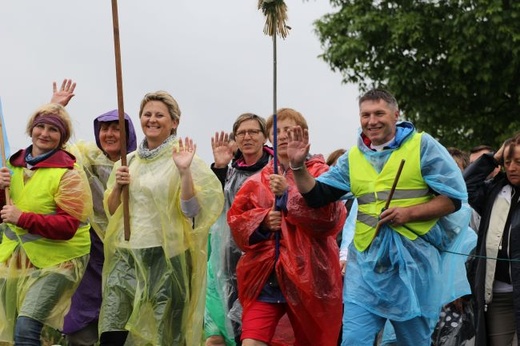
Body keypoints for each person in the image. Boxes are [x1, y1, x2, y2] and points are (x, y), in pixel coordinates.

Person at [286, 89, 475, 345]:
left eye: (379, 113)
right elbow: (318, 195)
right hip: (366, 267)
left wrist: (409, 213)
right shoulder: (353, 157)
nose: (371, 121)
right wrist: (297, 166)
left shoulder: (423, 146)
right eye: (365, 115)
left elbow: (453, 199)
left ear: (396, 115)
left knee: (413, 342)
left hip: (413, 268)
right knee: (354, 340)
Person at [98, 90, 223, 345]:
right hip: (126, 254)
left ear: (174, 122)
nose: (152, 120)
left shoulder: (185, 158)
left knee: (163, 334)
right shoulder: (127, 160)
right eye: (147, 114)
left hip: (166, 257)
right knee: (113, 330)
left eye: (159, 115)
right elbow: (111, 211)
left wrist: (185, 173)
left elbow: (192, 212)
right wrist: (119, 186)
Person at [227, 108, 346, 346]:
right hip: (265, 281)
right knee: (251, 341)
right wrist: (262, 222)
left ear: (303, 135)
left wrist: (289, 195)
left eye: (288, 131)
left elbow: (330, 219)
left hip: (309, 281)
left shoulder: (321, 173)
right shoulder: (258, 179)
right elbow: (237, 223)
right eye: (276, 131)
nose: (281, 136)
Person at [0, 103, 93, 345]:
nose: (44, 133)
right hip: (17, 259)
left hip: (60, 261)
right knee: (12, 331)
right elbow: (4, 212)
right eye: (40, 126)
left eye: (53, 129)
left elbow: (67, 226)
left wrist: (22, 218)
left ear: (62, 138)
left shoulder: (69, 174)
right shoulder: (12, 166)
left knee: (26, 327)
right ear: (31, 129)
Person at [205, 113, 273, 346]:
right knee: (224, 328)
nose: (247, 137)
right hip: (227, 257)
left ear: (265, 136)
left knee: (254, 327)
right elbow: (212, 204)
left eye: (253, 131)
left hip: (263, 258)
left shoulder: (275, 170)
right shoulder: (230, 170)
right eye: (241, 133)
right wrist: (219, 168)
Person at [465, 133, 520, 346]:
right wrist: (493, 158)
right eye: (508, 162)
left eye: (518, 162)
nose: (512, 167)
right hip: (499, 296)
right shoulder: (495, 191)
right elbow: (465, 187)